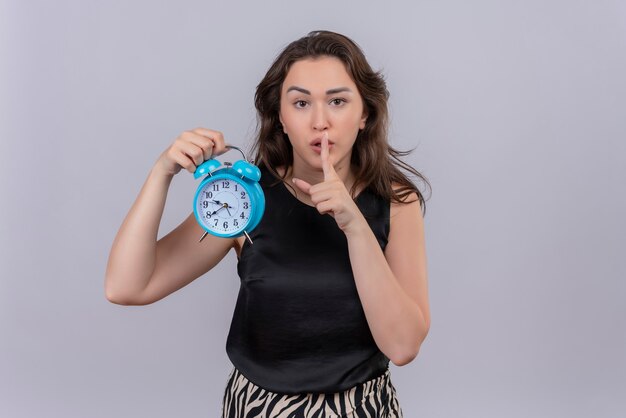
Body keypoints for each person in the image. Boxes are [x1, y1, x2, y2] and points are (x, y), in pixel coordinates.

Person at [105, 30, 431, 418]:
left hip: (362, 409)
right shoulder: (245, 197)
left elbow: (403, 347)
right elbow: (127, 286)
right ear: (281, 116)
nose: (320, 122)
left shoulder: (395, 201)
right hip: (259, 409)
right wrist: (161, 173)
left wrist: (355, 225)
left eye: (338, 101)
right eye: (301, 103)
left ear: (364, 115)